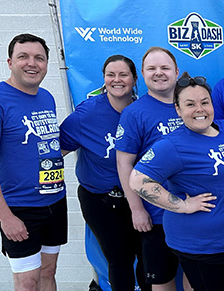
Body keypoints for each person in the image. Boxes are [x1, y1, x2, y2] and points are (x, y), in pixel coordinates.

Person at [129, 73, 224, 291]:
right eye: (190, 104)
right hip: (202, 246)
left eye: (205, 102)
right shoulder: (172, 145)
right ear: (177, 109)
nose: (200, 109)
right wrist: (183, 205)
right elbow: (138, 181)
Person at [0, 33, 66, 291]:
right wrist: (5, 217)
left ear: (46, 64)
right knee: (27, 282)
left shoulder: (46, 97)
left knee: (49, 271)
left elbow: (45, 146)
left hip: (55, 200)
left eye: (39, 58)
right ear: (10, 62)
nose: (32, 63)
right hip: (18, 207)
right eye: (23, 57)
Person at [59, 55, 148, 291]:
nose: (117, 80)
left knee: (147, 258)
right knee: (119, 259)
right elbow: (57, 151)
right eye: (111, 75)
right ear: (104, 79)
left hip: (143, 198)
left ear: (135, 79)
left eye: (123, 74)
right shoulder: (86, 114)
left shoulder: (144, 111)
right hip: (102, 200)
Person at [115, 47, 184, 291]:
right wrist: (136, 208)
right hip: (156, 216)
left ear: (176, 71)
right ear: (142, 74)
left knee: (196, 280)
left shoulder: (191, 105)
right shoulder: (134, 114)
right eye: (152, 69)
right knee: (162, 281)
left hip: (195, 212)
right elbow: (124, 163)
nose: (159, 73)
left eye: (165, 68)